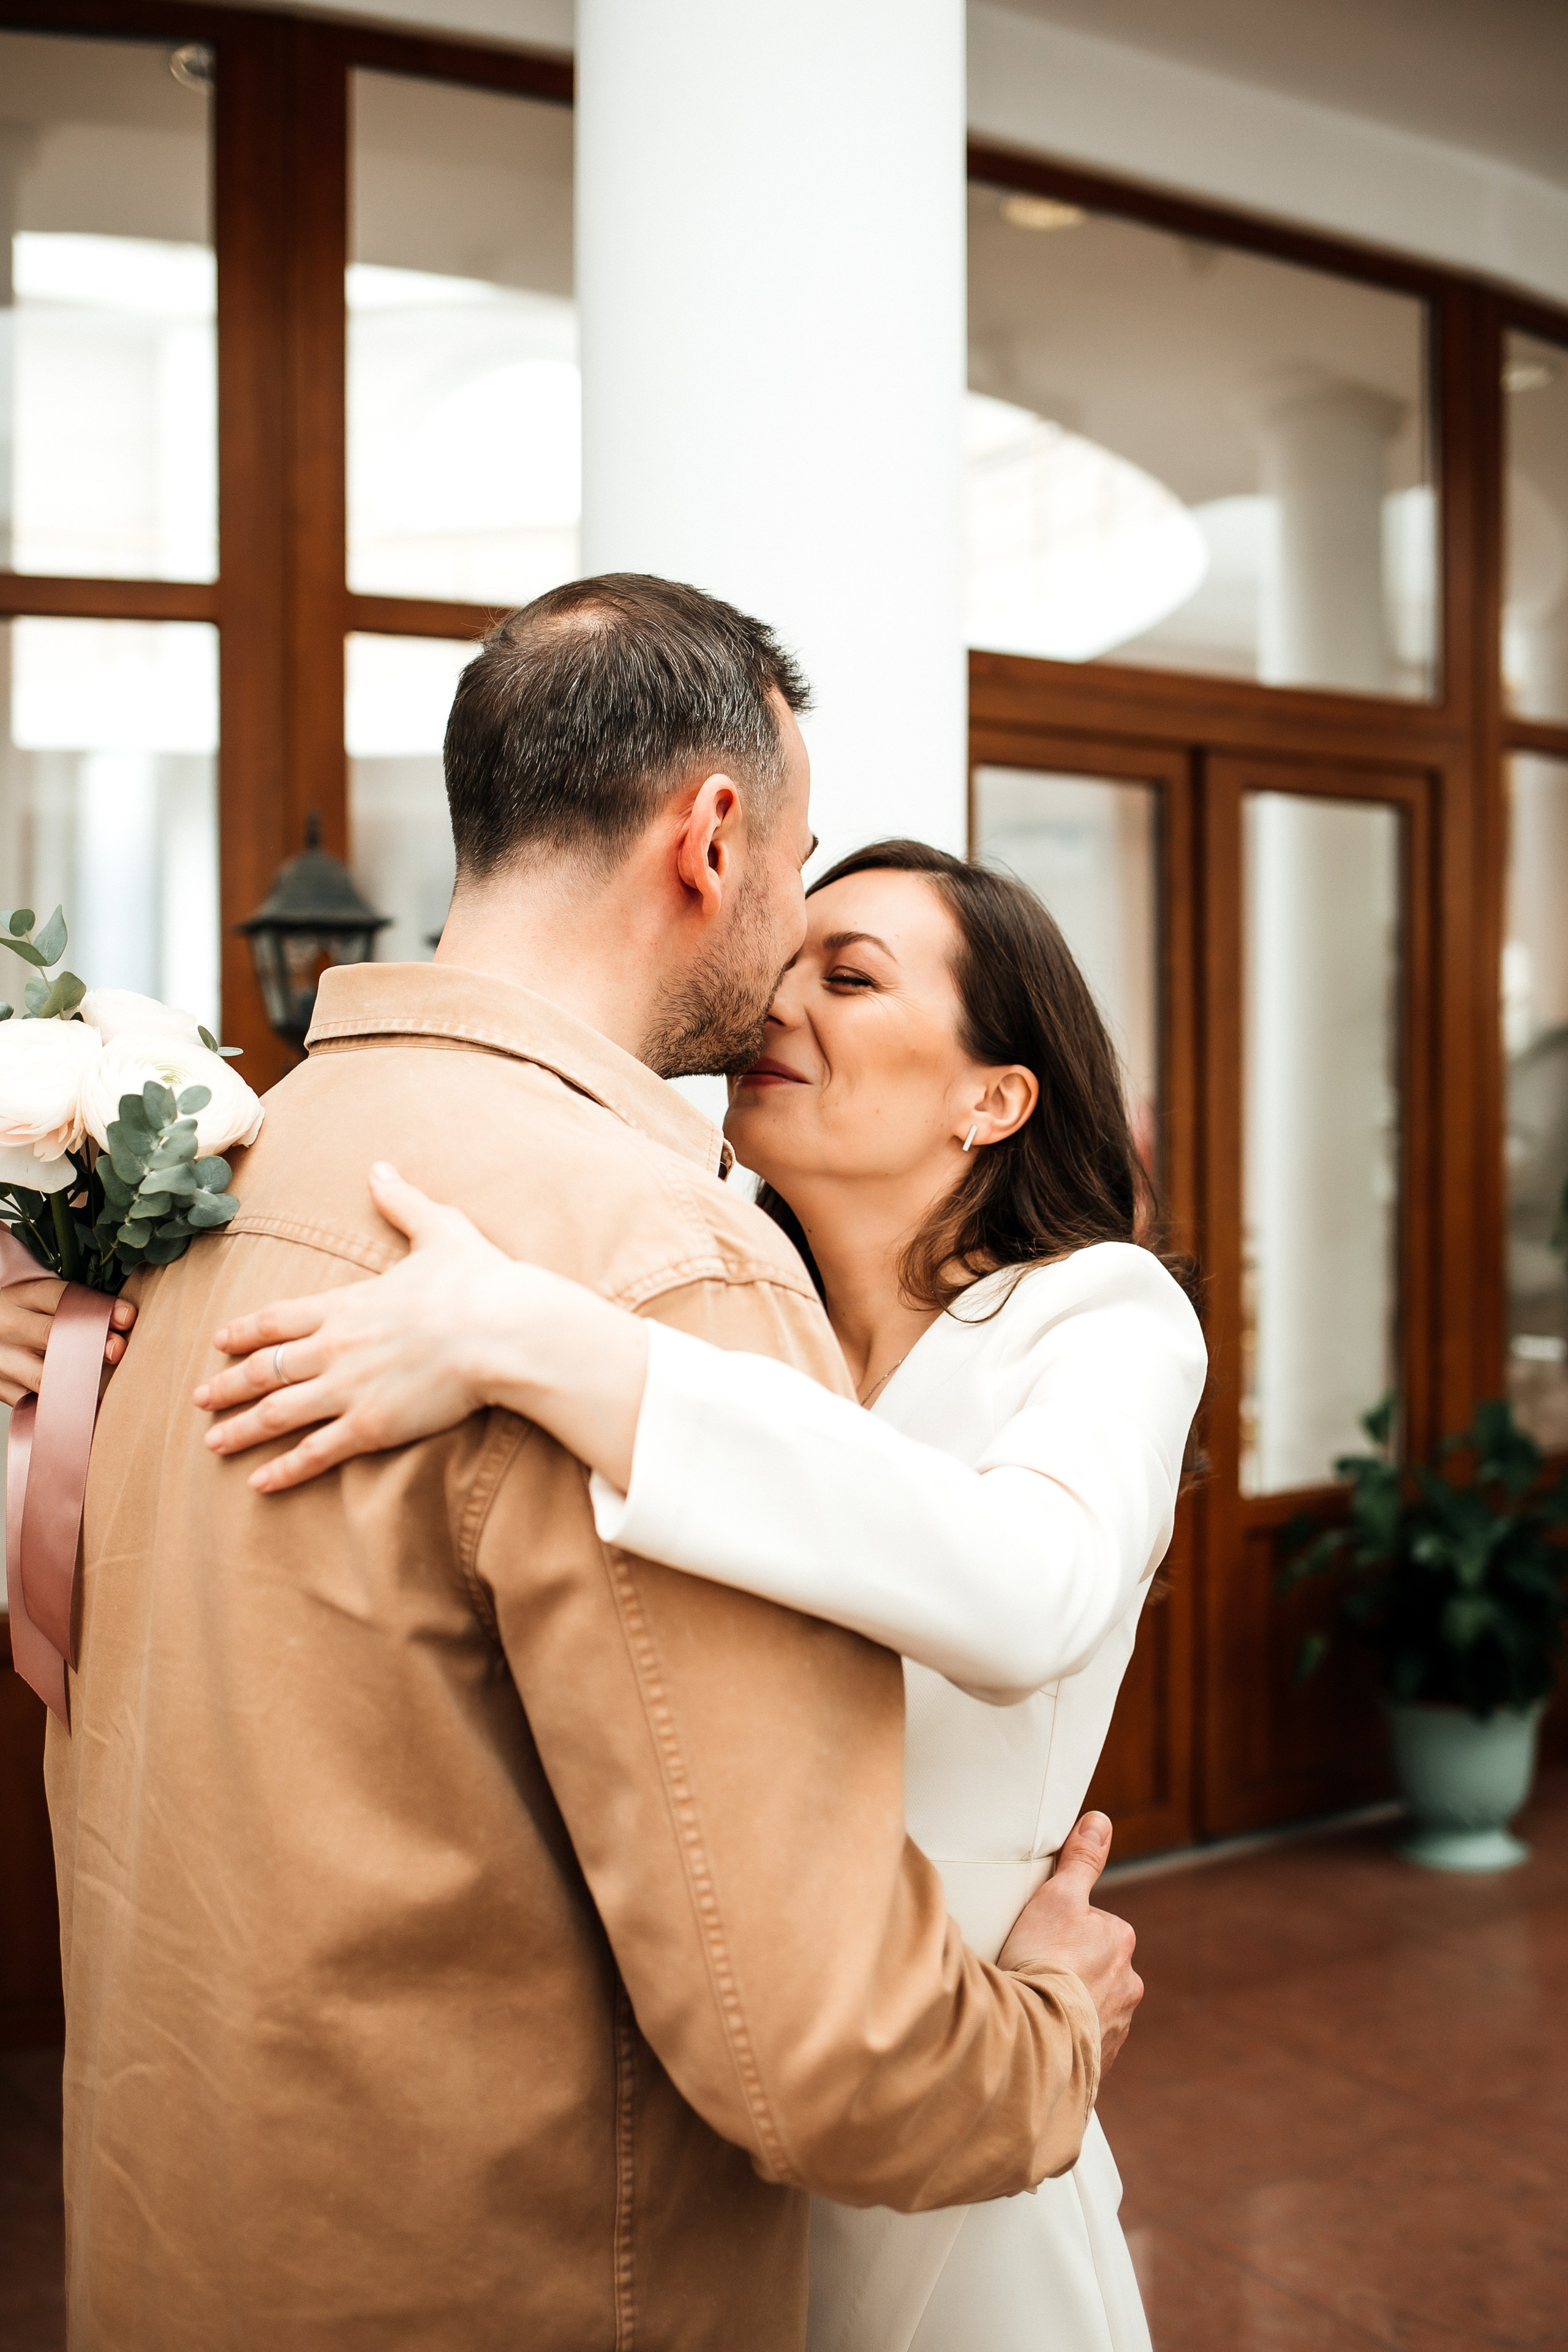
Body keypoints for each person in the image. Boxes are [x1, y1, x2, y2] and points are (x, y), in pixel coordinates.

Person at [10, 578, 1143, 2352]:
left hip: (184, 2250)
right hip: (511, 2277)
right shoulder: (657, 1257)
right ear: (710, 837)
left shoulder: (230, 1179)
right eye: (799, 875)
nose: (789, 952)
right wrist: (1050, 2034)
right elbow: (825, 2049)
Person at [181, 839, 1208, 2351]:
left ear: (994, 1095)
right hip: (692, 2099)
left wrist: (539, 1343)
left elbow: (1024, 1592)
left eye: (847, 977)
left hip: (939, 2091)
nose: (775, 1006)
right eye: (781, 964)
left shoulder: (1098, 1318)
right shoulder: (718, 1298)